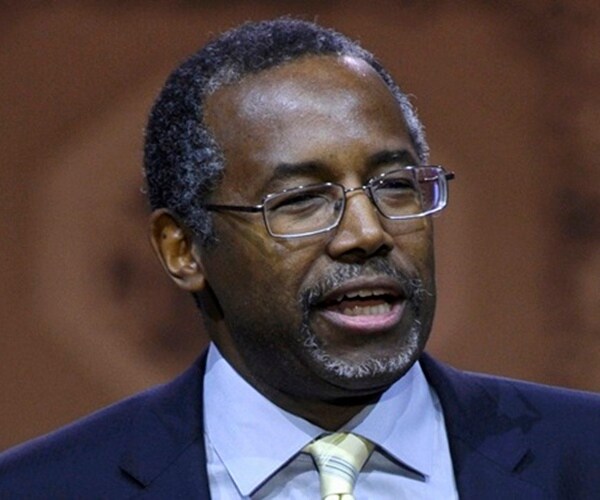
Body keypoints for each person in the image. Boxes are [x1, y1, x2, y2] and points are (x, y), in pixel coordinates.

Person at [1, 18, 598, 499]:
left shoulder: (585, 455)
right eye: (301, 200)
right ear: (182, 250)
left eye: (394, 186)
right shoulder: (39, 488)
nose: (367, 232)